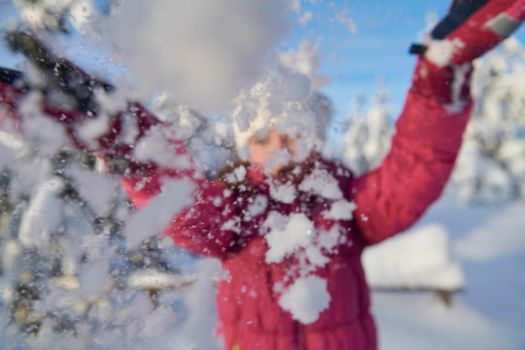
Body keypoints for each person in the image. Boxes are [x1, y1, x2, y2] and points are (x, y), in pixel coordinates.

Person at [0, 0, 523, 349]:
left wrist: (438, 79)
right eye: (262, 137)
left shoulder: (344, 204)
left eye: (291, 132)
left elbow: (413, 173)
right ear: (246, 146)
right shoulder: (232, 213)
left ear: (314, 136)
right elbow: (184, 208)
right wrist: (133, 142)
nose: (277, 147)